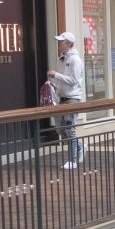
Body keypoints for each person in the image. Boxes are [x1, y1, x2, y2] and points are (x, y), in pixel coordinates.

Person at [48, 32, 85, 170]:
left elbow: (74, 80)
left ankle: (72, 160)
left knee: (70, 129)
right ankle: (80, 147)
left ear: (69, 44)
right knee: (60, 129)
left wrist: (56, 75)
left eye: (61, 42)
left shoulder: (75, 60)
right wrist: (53, 86)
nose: (59, 44)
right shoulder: (61, 59)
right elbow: (61, 80)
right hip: (62, 98)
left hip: (73, 98)